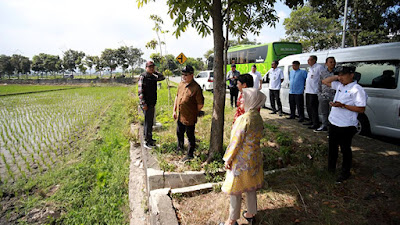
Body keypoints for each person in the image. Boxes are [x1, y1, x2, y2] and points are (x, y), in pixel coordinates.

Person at [220, 88, 266, 225]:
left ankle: (232, 220)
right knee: (250, 186)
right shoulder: (258, 117)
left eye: (243, 97)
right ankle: (251, 214)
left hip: (241, 159)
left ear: (251, 100)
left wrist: (228, 158)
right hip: (254, 158)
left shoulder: (244, 118)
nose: (241, 100)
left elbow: (236, 142)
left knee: (235, 189)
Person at [322, 66, 367, 183]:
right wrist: (337, 76)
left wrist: (343, 105)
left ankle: (345, 172)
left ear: (352, 75)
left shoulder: (357, 89)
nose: (340, 78)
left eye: (343, 75)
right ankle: (330, 169)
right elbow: (325, 81)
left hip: (347, 125)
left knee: (345, 149)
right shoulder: (340, 85)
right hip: (334, 122)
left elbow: (361, 109)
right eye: (339, 75)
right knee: (332, 148)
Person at [173, 65, 204, 161]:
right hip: (180, 114)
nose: (184, 77)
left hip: (189, 116)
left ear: (192, 75)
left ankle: (190, 154)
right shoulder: (181, 84)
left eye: (186, 75)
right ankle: (180, 147)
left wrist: (193, 111)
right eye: (183, 75)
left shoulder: (196, 87)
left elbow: (200, 104)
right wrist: (174, 110)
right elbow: (177, 97)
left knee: (190, 135)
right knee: (179, 132)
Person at [138, 61, 165, 148]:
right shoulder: (143, 76)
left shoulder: (153, 77)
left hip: (152, 103)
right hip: (146, 103)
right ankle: (147, 142)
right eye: (150, 67)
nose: (151, 68)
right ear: (146, 68)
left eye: (153, 67)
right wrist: (143, 104)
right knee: (148, 122)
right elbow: (140, 91)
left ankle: (149, 138)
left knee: (149, 122)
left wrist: (155, 72)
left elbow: (162, 77)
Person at [315, 57, 336, 132]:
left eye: (334, 62)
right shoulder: (323, 73)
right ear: (326, 63)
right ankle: (324, 125)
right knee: (324, 112)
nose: (333, 63)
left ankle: (332, 128)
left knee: (333, 113)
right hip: (323, 95)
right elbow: (319, 83)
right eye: (331, 62)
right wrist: (319, 94)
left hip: (334, 96)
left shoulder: (337, 73)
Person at [304, 55, 325, 129]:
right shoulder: (310, 68)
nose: (308, 61)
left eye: (309, 60)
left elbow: (323, 78)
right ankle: (311, 120)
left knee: (314, 108)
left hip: (314, 92)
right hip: (308, 91)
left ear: (314, 60)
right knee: (308, 107)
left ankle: (316, 123)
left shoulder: (319, 67)